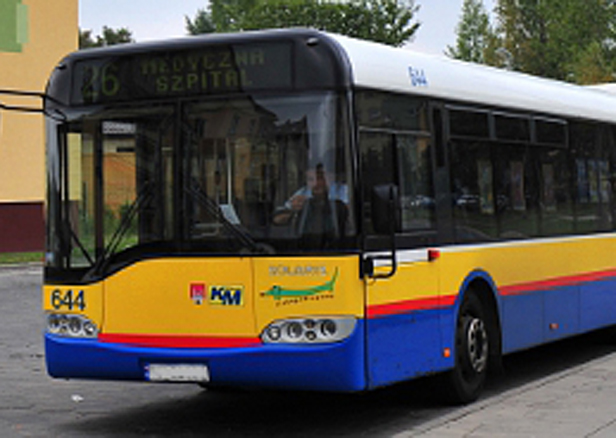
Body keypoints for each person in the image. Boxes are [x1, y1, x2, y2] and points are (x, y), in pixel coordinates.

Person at [273, 163, 348, 230]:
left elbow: (351, 214)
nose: (315, 183)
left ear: (329, 177)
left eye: (319, 178)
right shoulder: (303, 192)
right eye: (311, 179)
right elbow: (278, 218)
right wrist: (294, 209)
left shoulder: (344, 190)